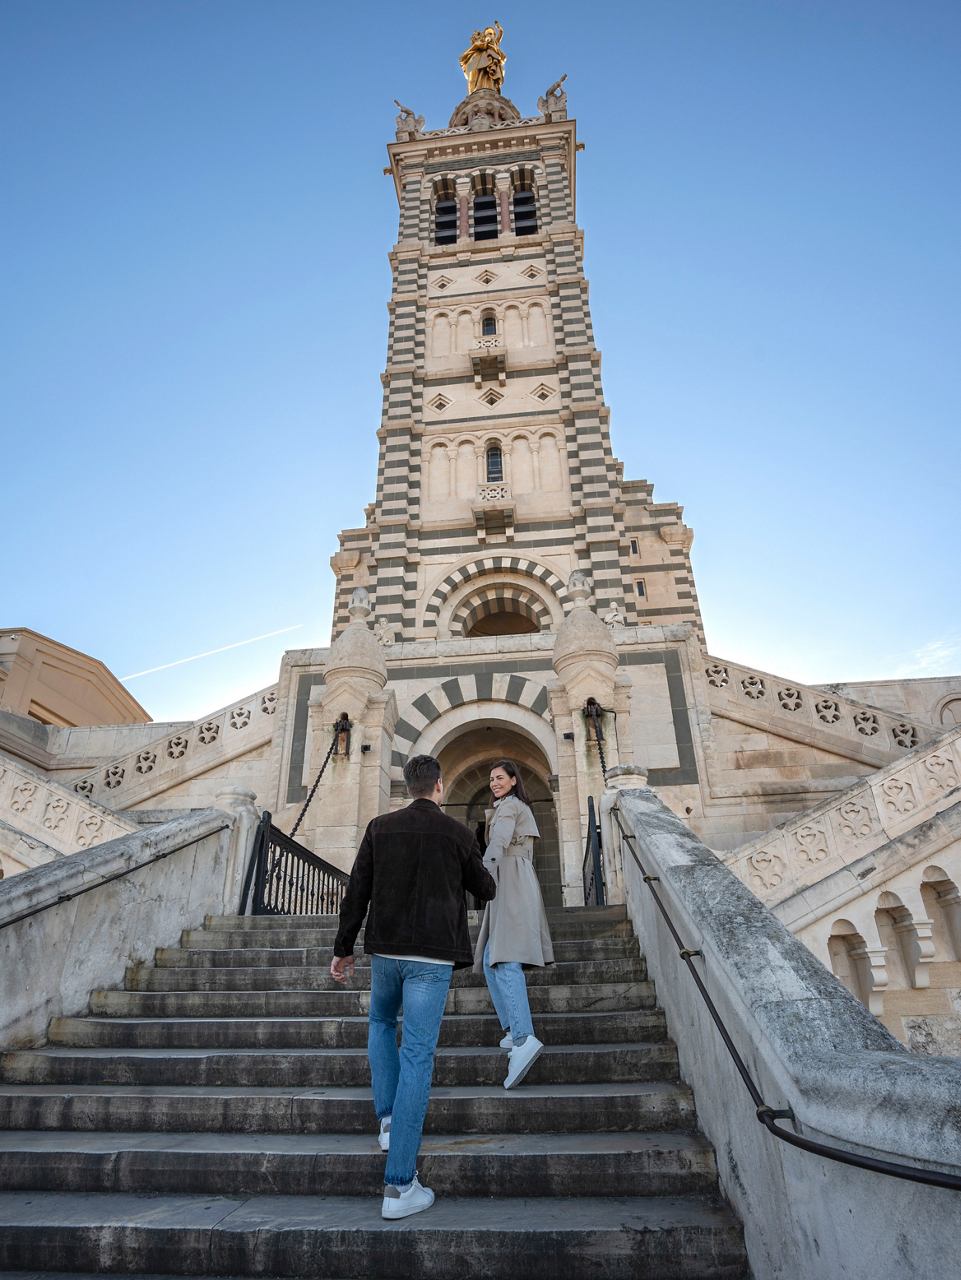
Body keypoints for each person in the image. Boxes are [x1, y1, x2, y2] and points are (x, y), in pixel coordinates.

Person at [331, 755, 495, 1220]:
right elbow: (485, 889)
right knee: (418, 1055)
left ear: (407, 787)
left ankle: (387, 1119)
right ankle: (400, 1186)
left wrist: (344, 948)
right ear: (440, 786)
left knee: (381, 1021)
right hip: (432, 960)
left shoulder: (380, 828)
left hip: (386, 952)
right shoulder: (458, 834)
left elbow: (357, 890)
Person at [474, 758, 554, 1089]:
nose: (494, 782)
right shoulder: (511, 805)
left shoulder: (508, 807)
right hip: (512, 882)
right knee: (492, 958)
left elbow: (500, 841)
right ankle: (511, 1029)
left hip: (511, 881)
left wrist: (483, 871)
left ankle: (523, 1037)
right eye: (491, 778)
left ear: (512, 780)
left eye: (499, 777)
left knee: (504, 960)